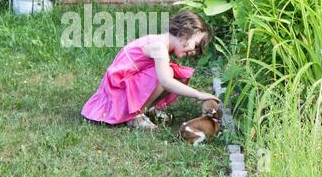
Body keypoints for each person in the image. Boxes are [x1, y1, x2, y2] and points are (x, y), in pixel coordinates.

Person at [81, 10, 220, 130]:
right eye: (195, 46)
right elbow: (165, 81)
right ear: (185, 32)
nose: (194, 52)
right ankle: (136, 115)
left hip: (126, 87)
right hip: (117, 91)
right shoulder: (159, 47)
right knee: (166, 74)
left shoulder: (162, 44)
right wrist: (198, 94)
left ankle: (149, 109)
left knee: (178, 73)